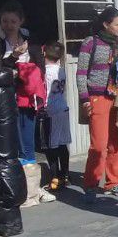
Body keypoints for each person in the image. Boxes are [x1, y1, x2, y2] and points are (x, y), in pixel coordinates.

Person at [77, 6, 118, 203]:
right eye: (117, 24)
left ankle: (113, 183)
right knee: (99, 145)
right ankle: (91, 183)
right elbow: (81, 73)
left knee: (116, 142)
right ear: (106, 24)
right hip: (97, 97)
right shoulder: (90, 43)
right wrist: (85, 98)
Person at [0, 0, 45, 165]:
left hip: (27, 96)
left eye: (13, 21)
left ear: (21, 21)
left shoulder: (29, 38)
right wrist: (14, 58)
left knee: (27, 138)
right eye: (4, 21)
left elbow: (40, 65)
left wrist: (31, 78)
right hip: (3, 96)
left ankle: (30, 179)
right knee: (7, 139)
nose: (8, 25)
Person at [41, 42, 71, 192]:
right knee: (62, 143)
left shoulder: (44, 71)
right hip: (62, 107)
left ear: (44, 53)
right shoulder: (62, 70)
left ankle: (54, 177)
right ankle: (65, 175)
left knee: (51, 145)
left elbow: (45, 92)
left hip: (51, 109)